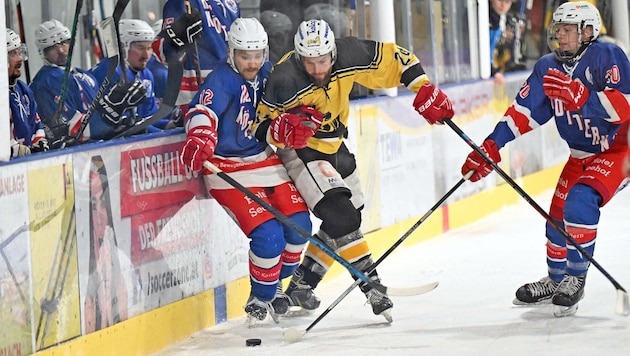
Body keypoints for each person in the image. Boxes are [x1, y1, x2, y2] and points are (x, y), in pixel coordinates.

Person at [251, 19, 454, 321]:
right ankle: (370, 284)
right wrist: (279, 131)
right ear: (298, 56)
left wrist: (422, 86)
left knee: (351, 213)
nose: (318, 69)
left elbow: (398, 57)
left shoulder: (348, 54)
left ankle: (303, 283)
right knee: (342, 215)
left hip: (335, 144)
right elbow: (259, 125)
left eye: (322, 61)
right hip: (302, 149)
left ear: (333, 53)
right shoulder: (284, 80)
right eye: (309, 62)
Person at [449, 2, 630, 316]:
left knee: (580, 201)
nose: (559, 34)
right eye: (557, 28)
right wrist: (492, 145)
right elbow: (525, 111)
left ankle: (575, 278)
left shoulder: (608, 57)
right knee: (557, 217)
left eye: (567, 29)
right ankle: (556, 279)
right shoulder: (548, 66)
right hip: (579, 155)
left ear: (587, 32)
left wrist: (585, 97)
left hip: (618, 151)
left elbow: (626, 108)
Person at [179, 18, 312, 324]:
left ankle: (274, 285)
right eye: (244, 55)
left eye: (256, 55)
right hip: (226, 167)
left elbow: (292, 103)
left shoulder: (268, 72)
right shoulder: (221, 79)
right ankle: (261, 297)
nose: (251, 63)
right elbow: (202, 111)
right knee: (269, 236)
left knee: (300, 225)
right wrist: (200, 136)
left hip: (264, 159)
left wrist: (299, 117)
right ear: (231, 53)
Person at [30, 19, 109, 145]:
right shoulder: (46, 82)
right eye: (52, 48)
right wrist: (112, 120)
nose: (61, 50)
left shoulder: (85, 75)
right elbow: (74, 129)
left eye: (63, 43)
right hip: (76, 153)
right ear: (43, 53)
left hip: (99, 145)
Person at [154, 0, 240, 111]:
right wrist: (178, 35)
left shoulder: (231, 4)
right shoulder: (181, 2)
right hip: (197, 95)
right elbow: (162, 52)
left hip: (232, 90)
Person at [89, 19, 159, 137]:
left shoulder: (146, 75)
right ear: (122, 47)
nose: (147, 55)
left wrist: (173, 124)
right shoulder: (108, 72)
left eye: (149, 48)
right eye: (141, 48)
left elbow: (149, 118)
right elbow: (112, 126)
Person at [6, 28, 48, 158]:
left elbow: (35, 122)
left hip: (25, 166)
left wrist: (40, 141)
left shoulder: (22, 89)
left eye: (19, 52)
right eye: (13, 54)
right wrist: (20, 151)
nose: (20, 59)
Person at [489, 0, 516, 84]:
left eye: (507, 2)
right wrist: (493, 72)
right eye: (500, 0)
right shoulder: (484, 18)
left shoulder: (501, 19)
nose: (503, 5)